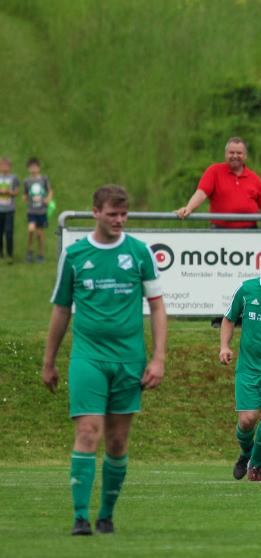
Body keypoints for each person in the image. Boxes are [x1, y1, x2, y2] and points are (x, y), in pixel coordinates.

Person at [43, 184, 167, 535]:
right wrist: (49, 361)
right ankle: (80, 517)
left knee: (117, 442)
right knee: (87, 431)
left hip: (129, 360)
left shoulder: (139, 253)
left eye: (124, 214)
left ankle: (106, 514)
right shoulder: (75, 255)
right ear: (95, 212)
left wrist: (158, 358)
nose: (119, 220)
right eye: (112, 214)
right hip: (88, 358)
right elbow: (61, 309)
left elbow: (157, 307)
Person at [220, 252, 261, 481]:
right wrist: (224, 346)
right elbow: (229, 318)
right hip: (249, 367)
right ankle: (247, 454)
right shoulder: (247, 289)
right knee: (247, 420)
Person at [176, 137, 261, 228]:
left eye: (239, 153)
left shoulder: (254, 177)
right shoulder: (214, 171)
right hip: (220, 232)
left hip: (250, 232)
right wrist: (188, 208)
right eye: (231, 152)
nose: (235, 156)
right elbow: (201, 193)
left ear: (245, 156)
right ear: (225, 154)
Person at [23, 157, 54, 263]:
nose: (33, 169)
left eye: (35, 167)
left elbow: (50, 191)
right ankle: (29, 251)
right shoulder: (27, 181)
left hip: (41, 211)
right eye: (31, 167)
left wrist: (48, 199)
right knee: (31, 230)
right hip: (31, 211)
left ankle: (41, 254)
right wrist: (25, 198)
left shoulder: (44, 179)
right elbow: (25, 194)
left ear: (39, 168)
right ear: (28, 168)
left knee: (40, 234)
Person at [0, 156, 20, 263]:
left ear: (10, 167)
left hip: (9, 209)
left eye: (6, 165)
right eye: (2, 165)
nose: (4, 167)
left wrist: (8, 192)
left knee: (9, 231)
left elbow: (16, 192)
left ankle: (9, 254)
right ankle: (1, 253)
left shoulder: (14, 178)